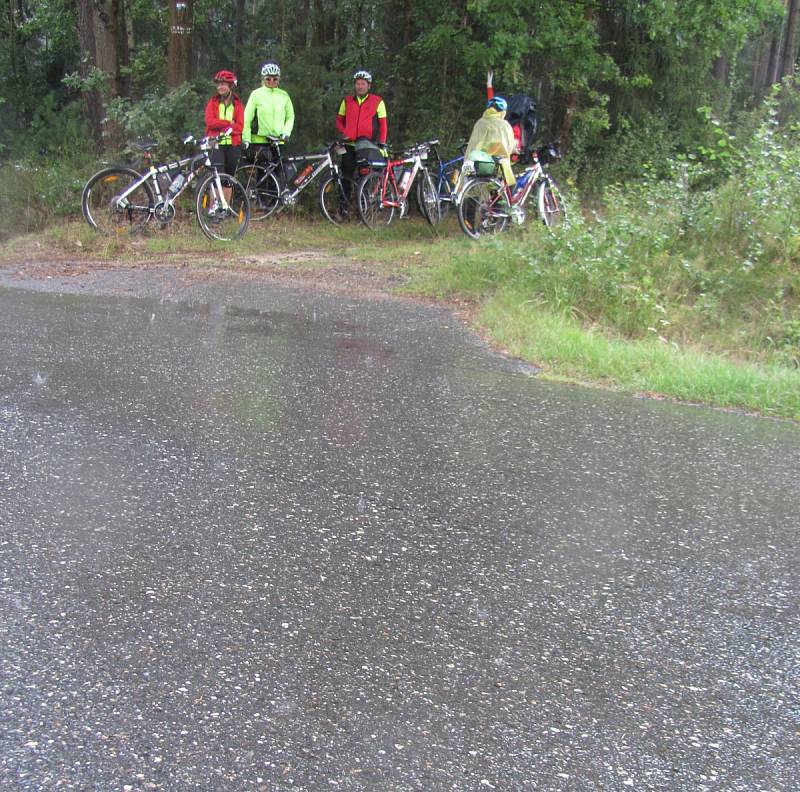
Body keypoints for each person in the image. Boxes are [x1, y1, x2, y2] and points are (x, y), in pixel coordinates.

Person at [336, 69, 388, 188]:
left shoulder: (378, 101)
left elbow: (383, 124)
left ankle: (364, 205)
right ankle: (344, 205)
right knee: (346, 176)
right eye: (358, 84)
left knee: (365, 178)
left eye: (363, 84)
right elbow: (339, 120)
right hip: (349, 145)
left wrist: (382, 143)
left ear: (369, 86)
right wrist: (345, 132)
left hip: (367, 145)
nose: (360, 87)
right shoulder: (347, 101)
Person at [204, 70, 245, 210]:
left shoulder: (238, 104)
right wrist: (228, 123)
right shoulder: (213, 102)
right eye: (219, 84)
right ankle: (213, 209)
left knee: (229, 179)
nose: (220, 87)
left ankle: (225, 208)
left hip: (233, 145)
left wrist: (223, 125)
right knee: (216, 178)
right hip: (215, 143)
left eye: (223, 84)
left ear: (230, 86)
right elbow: (210, 122)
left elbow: (239, 127)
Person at [242, 61, 295, 161]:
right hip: (260, 141)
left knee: (279, 173)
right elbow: (247, 118)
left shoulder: (284, 95)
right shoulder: (256, 94)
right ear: (263, 79)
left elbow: (290, 116)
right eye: (268, 79)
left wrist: (286, 132)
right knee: (262, 173)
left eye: (275, 79)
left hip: (278, 141)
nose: (271, 81)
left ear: (279, 79)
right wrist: (246, 139)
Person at [465, 95, 517, 188]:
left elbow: (472, 148)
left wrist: (465, 170)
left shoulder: (481, 123)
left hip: (479, 168)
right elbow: (511, 149)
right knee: (500, 195)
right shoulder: (506, 126)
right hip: (500, 169)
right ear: (503, 112)